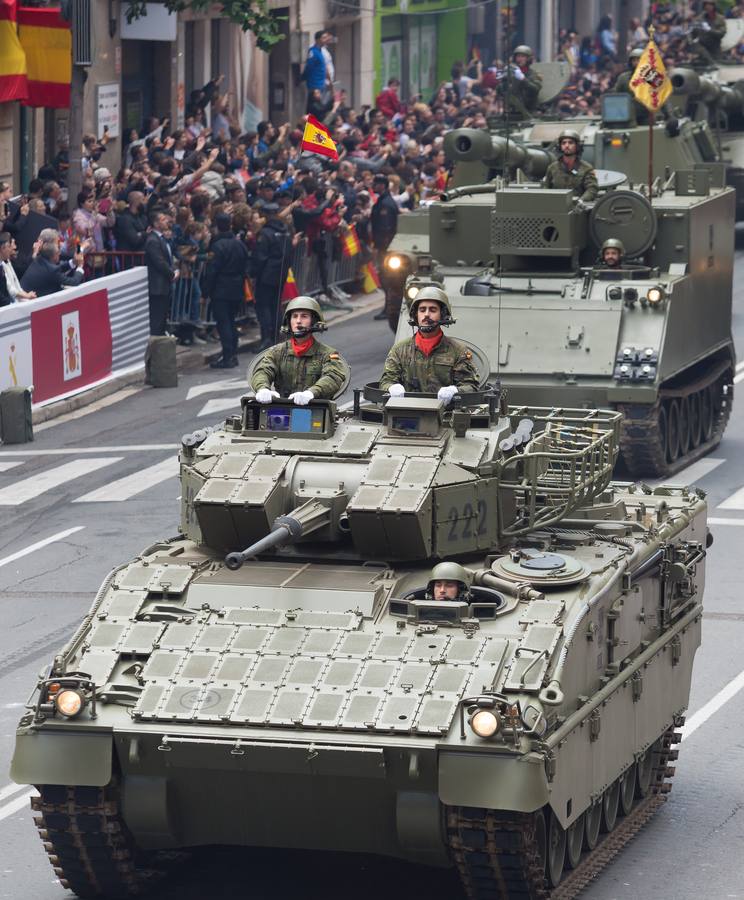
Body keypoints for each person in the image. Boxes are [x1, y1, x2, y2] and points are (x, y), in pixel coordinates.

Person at [379, 285, 479, 401]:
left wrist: (455, 391)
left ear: (442, 314)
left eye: (432, 310)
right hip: (408, 413)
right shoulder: (399, 350)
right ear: (416, 315)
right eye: (422, 310)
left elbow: (471, 386)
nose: (426, 314)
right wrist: (391, 388)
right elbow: (386, 381)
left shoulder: (458, 351)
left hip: (446, 415)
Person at [251, 296, 347, 404]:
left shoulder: (327, 354)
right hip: (282, 409)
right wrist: (263, 388)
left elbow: (333, 377)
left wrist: (311, 393)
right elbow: (263, 371)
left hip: (315, 410)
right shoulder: (276, 352)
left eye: (304, 316)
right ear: (289, 321)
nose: (298, 321)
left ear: (314, 321)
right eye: (294, 316)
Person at [202, 212, 250, 369]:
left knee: (224, 323)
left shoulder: (217, 246)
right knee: (231, 321)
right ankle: (232, 354)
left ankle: (228, 356)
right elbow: (245, 266)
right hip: (236, 287)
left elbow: (211, 271)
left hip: (222, 288)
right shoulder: (239, 244)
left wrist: (205, 292)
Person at [250, 202, 292, 350]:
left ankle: (267, 338)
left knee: (264, 307)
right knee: (276, 306)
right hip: (281, 274)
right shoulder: (286, 231)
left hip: (267, 275)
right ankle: (276, 336)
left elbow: (260, 257)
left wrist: (253, 273)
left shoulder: (265, 233)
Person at [370, 174, 399, 320]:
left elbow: (385, 229)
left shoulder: (386, 204)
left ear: (383, 185)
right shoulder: (383, 201)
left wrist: (380, 248)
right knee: (385, 278)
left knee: (386, 279)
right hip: (385, 247)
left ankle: (389, 308)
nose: (374, 186)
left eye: (376, 183)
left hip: (386, 248)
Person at [542, 129, 598, 204]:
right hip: (556, 207)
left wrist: (581, 201)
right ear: (560, 146)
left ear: (577, 146)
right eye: (564, 143)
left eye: (570, 143)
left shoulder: (586, 168)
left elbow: (592, 189)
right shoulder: (552, 168)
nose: (567, 145)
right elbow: (545, 188)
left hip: (578, 208)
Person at [144, 209, 176, 336]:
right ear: (156, 224)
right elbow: (159, 262)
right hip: (157, 286)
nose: (166, 221)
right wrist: (172, 273)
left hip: (164, 286)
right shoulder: (153, 240)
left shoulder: (161, 239)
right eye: (163, 219)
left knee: (162, 319)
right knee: (157, 321)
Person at [20, 237, 85, 298]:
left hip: (25, 293)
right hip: (30, 301)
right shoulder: (52, 270)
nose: (59, 253)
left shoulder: (39, 259)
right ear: (53, 256)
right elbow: (74, 282)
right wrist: (79, 266)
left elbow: (57, 268)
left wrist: (73, 262)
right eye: (57, 253)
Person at [503, 45, 543, 118]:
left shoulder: (534, 74)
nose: (519, 59)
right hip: (512, 113)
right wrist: (503, 80)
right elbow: (501, 91)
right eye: (518, 56)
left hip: (530, 112)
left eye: (522, 56)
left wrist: (523, 79)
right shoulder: (512, 73)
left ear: (528, 59)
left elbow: (536, 89)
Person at [0, 234, 36, 304]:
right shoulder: (2, 266)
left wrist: (26, 295)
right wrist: (26, 296)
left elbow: (16, 283)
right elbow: (10, 289)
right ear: (2, 248)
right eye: (9, 246)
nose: (11, 249)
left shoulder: (7, 262)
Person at [690, 1, 726, 66]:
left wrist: (710, 30)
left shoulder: (720, 19)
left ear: (714, 6)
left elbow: (722, 33)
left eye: (710, 5)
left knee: (718, 65)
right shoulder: (700, 18)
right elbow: (693, 32)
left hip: (715, 46)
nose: (708, 7)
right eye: (706, 5)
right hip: (703, 45)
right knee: (706, 63)